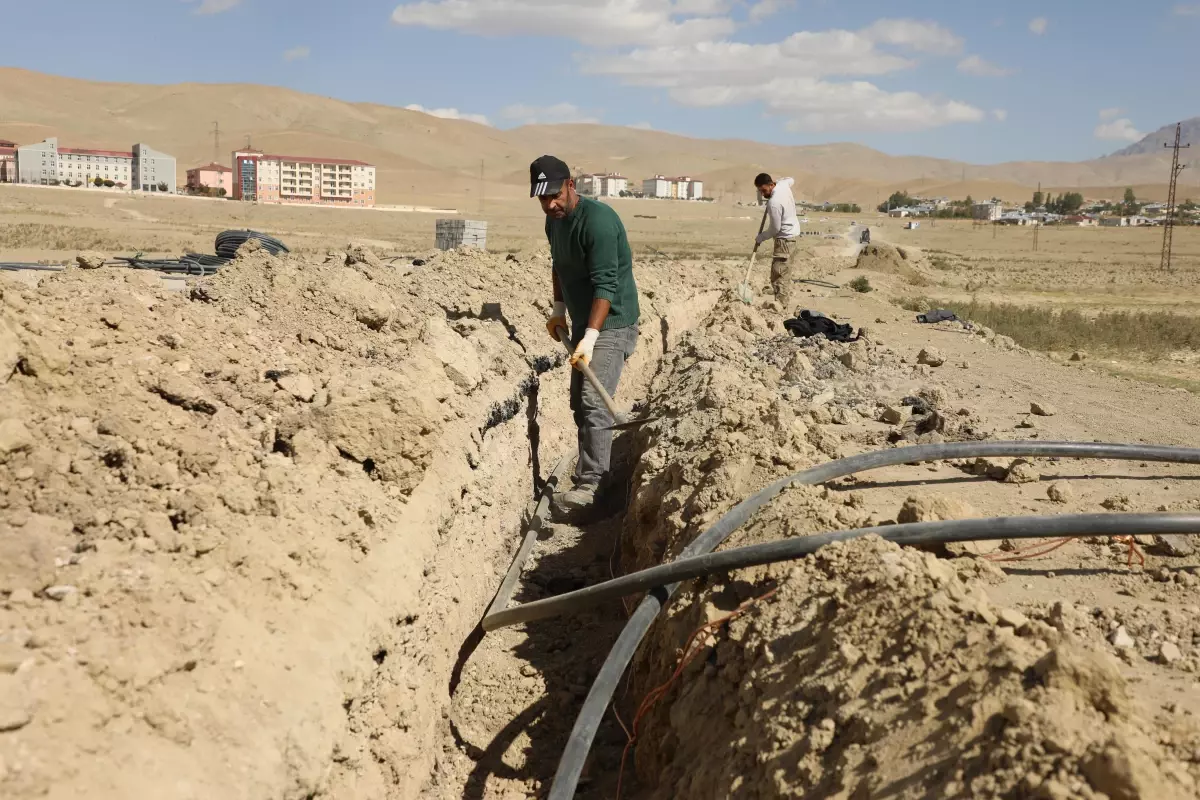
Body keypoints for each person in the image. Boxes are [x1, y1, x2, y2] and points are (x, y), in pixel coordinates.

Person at [531, 155, 641, 518]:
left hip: (613, 321)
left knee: (594, 401)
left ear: (571, 186)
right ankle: (595, 474)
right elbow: (558, 266)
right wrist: (559, 310)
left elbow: (606, 285)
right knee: (579, 403)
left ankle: (592, 485)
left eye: (555, 195)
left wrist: (591, 337)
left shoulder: (599, 223)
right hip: (583, 321)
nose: (551, 204)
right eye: (543, 199)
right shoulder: (554, 223)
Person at [753, 173, 800, 305]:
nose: (762, 194)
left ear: (771, 185)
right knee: (782, 273)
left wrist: (761, 237)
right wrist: (779, 182)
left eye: (764, 190)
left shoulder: (774, 203)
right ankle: (781, 304)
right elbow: (791, 179)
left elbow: (775, 229)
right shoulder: (783, 185)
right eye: (760, 191)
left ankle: (780, 308)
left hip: (783, 241)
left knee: (779, 276)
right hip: (791, 238)